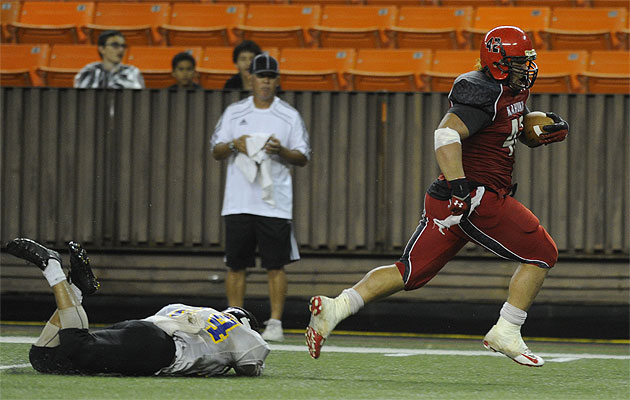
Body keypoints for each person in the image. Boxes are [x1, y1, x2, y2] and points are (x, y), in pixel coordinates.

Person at [305, 26, 569, 367]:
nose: (527, 68)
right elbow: (446, 133)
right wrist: (461, 186)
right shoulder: (482, 90)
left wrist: (542, 125)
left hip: (452, 201)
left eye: (528, 61)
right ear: (499, 61)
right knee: (542, 252)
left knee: (409, 272)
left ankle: (335, 307)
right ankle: (507, 329)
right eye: (520, 62)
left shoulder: (508, 91)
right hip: (475, 197)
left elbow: (506, 127)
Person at [5, 237, 270, 377]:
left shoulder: (196, 310)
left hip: (143, 329)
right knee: (76, 345)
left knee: (46, 359)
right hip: (160, 352)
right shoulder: (245, 334)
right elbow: (249, 366)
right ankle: (53, 269)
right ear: (244, 321)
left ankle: (76, 289)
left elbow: (159, 318)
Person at [211, 53, 311, 342]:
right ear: (250, 79)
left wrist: (279, 150)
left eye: (270, 76)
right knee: (236, 263)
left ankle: (276, 321)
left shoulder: (288, 115)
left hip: (274, 202)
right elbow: (216, 150)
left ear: (277, 80)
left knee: (275, 265)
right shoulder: (234, 112)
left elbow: (302, 156)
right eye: (260, 76)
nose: (265, 81)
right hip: (239, 199)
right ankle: (234, 319)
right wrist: (235, 144)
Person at [74, 30, 145, 89]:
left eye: (123, 46)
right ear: (102, 49)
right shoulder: (90, 71)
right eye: (115, 45)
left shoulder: (132, 72)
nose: (121, 50)